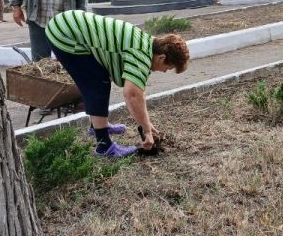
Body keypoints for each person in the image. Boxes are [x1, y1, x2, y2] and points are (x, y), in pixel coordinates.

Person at [46, 9, 190, 158]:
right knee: (97, 83)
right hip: (65, 34)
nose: (166, 71)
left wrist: (146, 124)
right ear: (161, 57)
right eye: (169, 67)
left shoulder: (147, 43)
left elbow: (138, 92)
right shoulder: (140, 54)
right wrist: (146, 130)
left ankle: (98, 126)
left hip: (67, 24)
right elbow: (132, 95)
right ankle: (104, 146)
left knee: (98, 79)